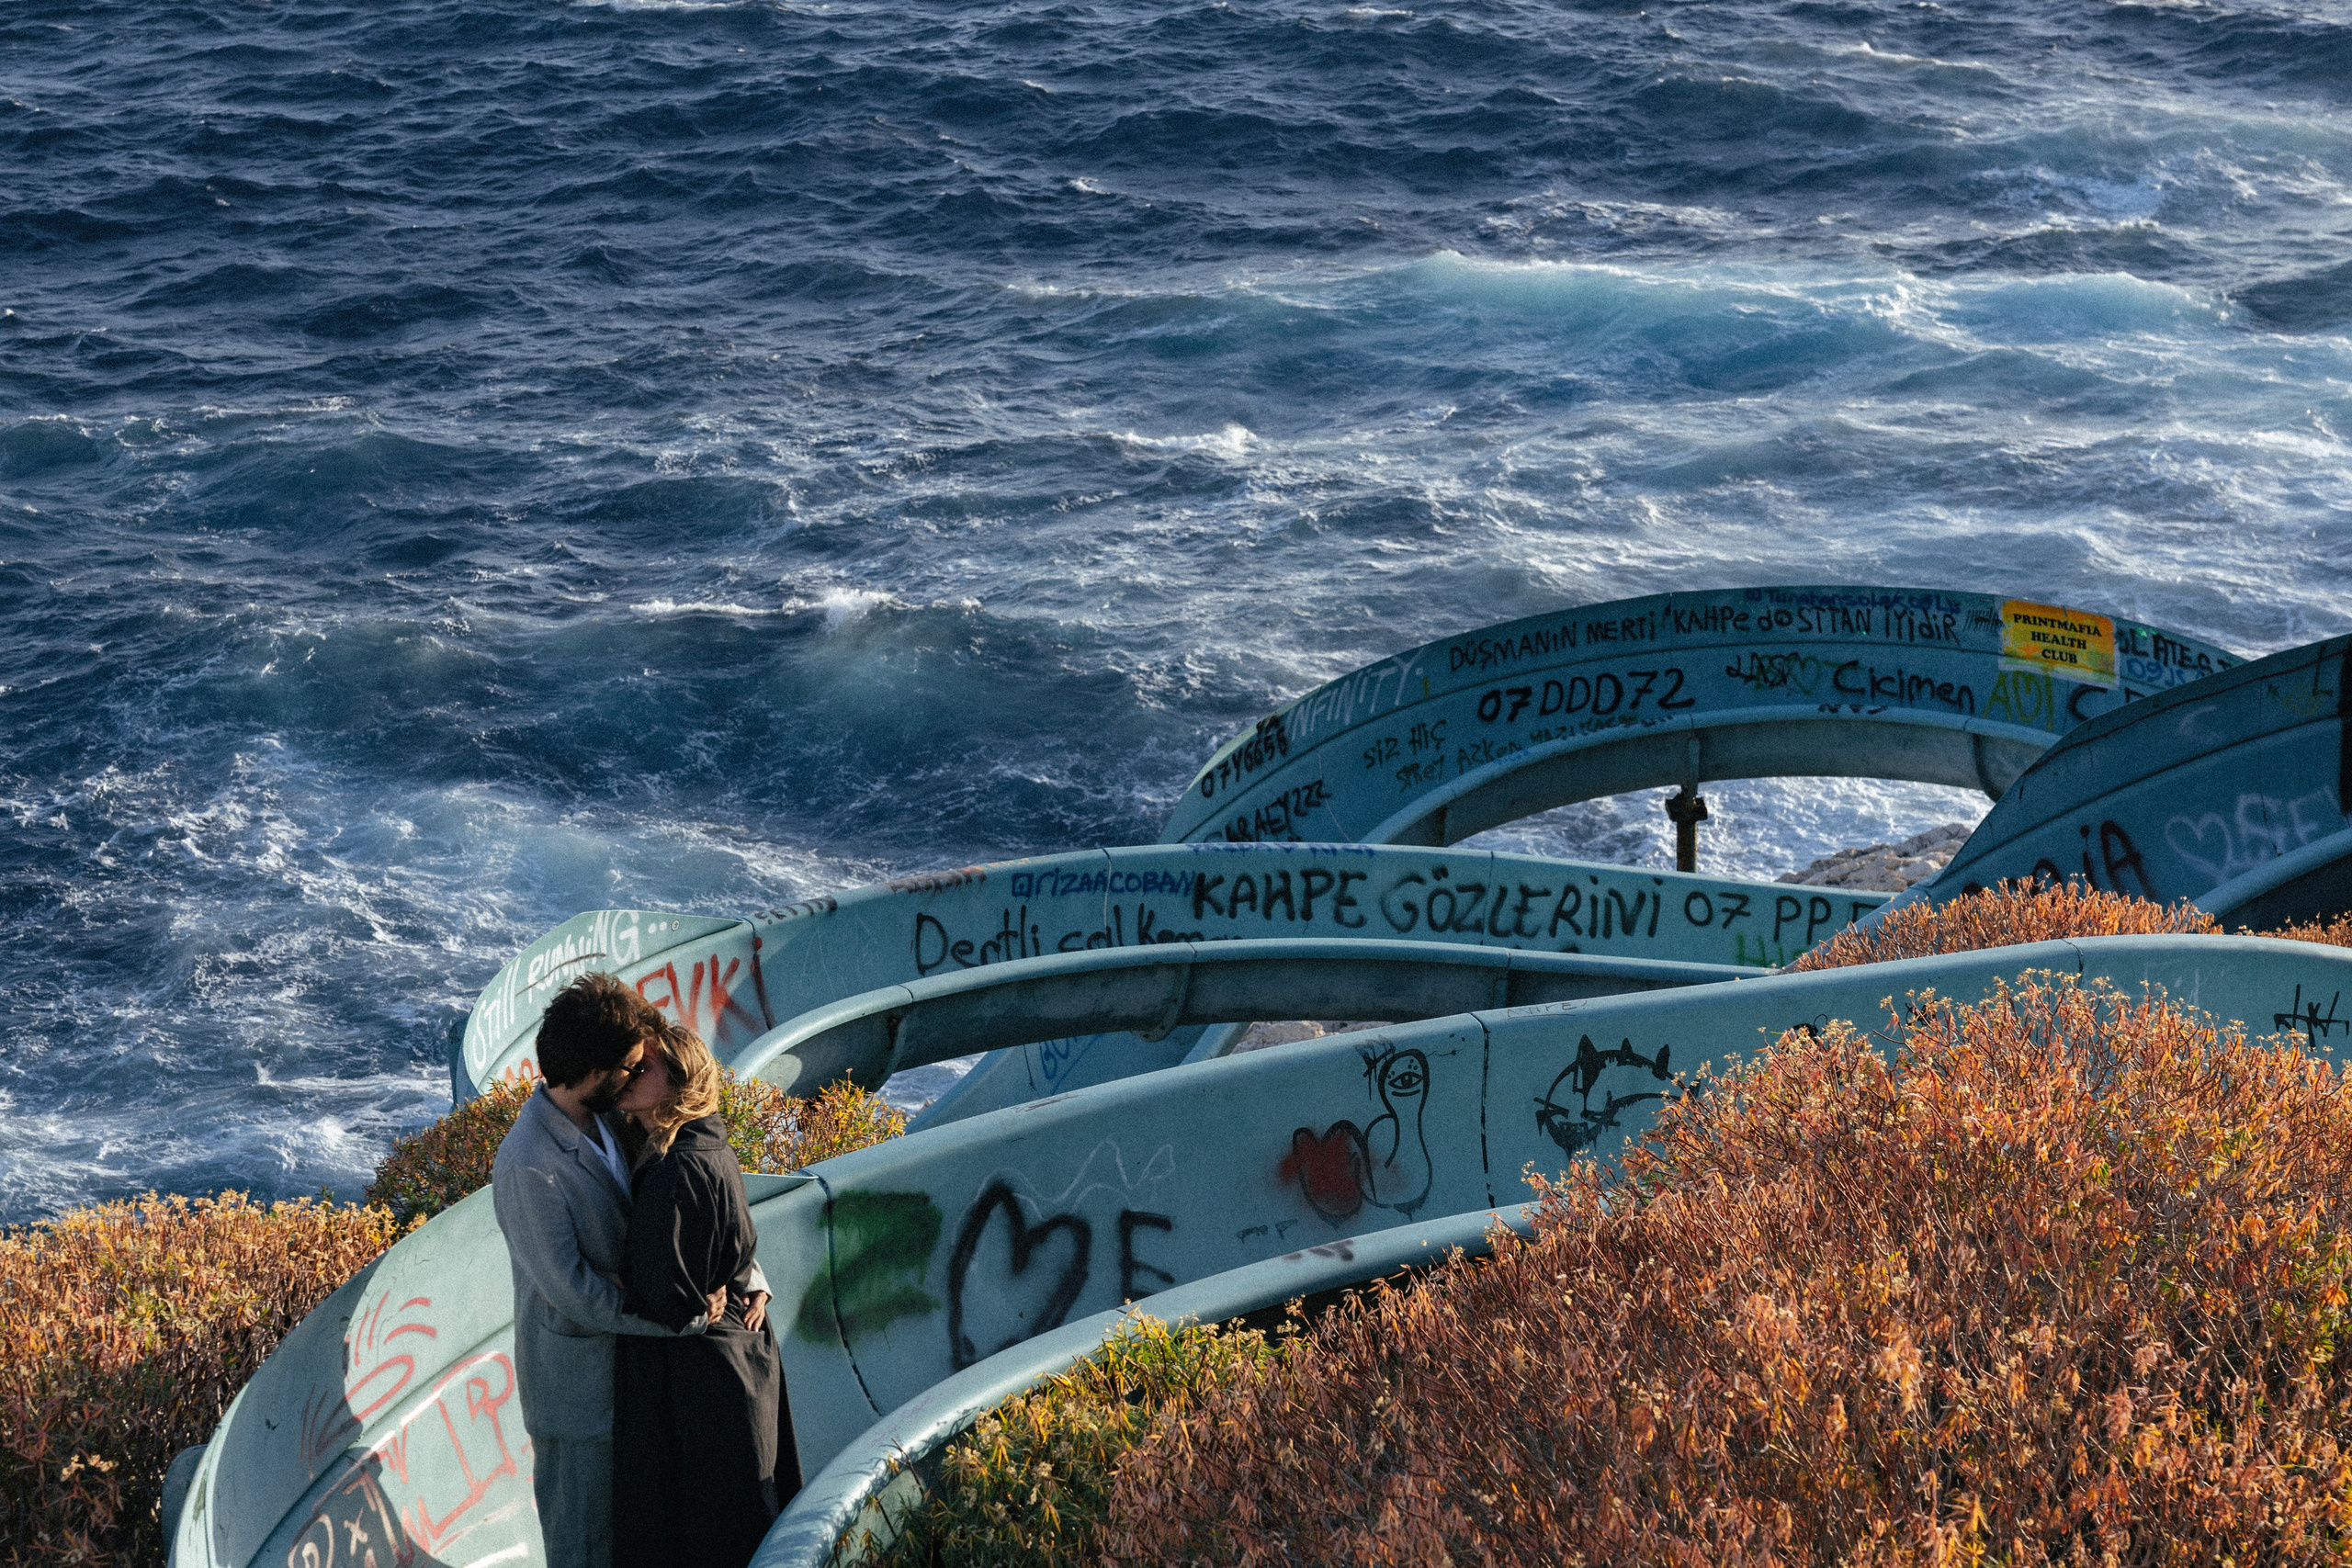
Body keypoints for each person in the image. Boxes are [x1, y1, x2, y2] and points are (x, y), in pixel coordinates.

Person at [490, 974, 733, 1568]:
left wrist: (741, 1271)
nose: (635, 1074)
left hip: (632, 1377)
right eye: (627, 1065)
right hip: (578, 1397)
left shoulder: (610, 1114)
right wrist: (682, 1313)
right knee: (585, 1549)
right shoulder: (527, 1163)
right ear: (593, 1070)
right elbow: (574, 1291)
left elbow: (695, 1193)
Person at [611, 1021, 797, 1568]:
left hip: (707, 1385)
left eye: (643, 1069)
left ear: (679, 1080)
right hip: (739, 1363)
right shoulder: (705, 1139)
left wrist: (626, 1281)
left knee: (713, 1534)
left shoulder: (678, 1167)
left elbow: (667, 1296)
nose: (628, 1076)